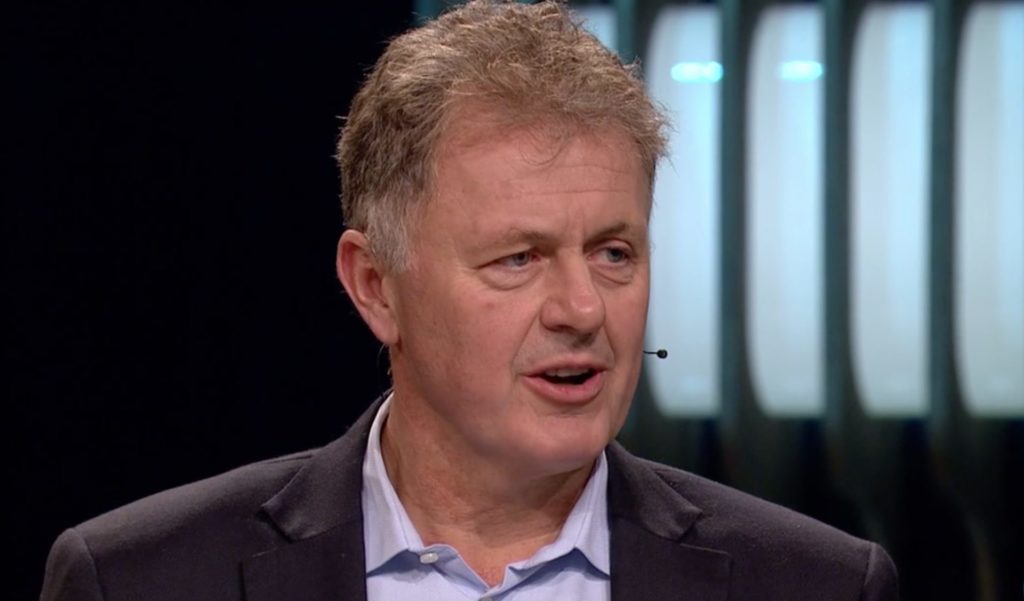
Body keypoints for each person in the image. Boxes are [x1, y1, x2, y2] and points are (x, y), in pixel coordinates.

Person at [41, 1, 899, 600]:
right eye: (519, 258)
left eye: (613, 253)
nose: (582, 310)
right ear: (375, 285)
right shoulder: (139, 579)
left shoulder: (817, 585)